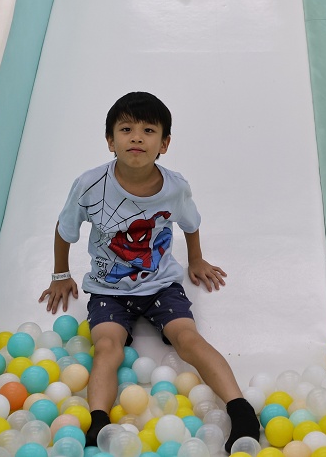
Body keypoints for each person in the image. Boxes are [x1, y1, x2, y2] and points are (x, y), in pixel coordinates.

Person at [39, 92, 261, 447]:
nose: (137, 137)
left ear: (165, 143)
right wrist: (60, 275)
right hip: (108, 289)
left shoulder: (174, 187)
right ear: (110, 140)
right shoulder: (90, 184)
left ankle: (241, 411)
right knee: (107, 347)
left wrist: (197, 259)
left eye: (148, 130)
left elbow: (190, 223)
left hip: (160, 285)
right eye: (126, 129)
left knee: (188, 340)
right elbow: (65, 229)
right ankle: (98, 421)